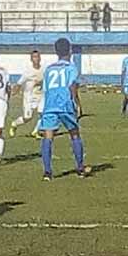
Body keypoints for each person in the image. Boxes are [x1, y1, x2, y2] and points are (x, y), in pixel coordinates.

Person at [38, 38, 91, 181]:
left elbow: (46, 89)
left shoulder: (49, 69)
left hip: (50, 105)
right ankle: (80, 169)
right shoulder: (71, 67)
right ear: (70, 50)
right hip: (65, 104)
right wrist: (77, 104)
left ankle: (47, 172)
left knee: (48, 136)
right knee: (74, 134)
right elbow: (72, 86)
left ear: (56, 51)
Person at [9, 50, 44, 139]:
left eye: (38, 57)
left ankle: (35, 131)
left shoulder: (44, 70)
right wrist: (13, 92)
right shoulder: (28, 71)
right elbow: (19, 83)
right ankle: (14, 124)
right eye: (34, 57)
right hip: (29, 97)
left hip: (40, 96)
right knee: (27, 117)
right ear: (31, 59)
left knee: (43, 114)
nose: (36, 59)